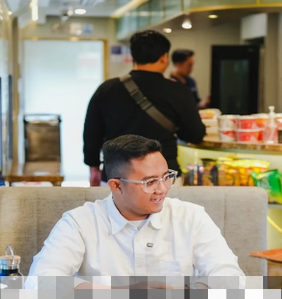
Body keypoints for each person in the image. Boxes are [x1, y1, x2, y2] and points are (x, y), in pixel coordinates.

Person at [27, 134, 246, 289]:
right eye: (149, 182)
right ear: (116, 186)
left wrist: (188, 293)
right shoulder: (80, 223)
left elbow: (232, 277)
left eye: (166, 177)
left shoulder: (191, 217)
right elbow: (39, 282)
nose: (162, 189)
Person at [83, 30, 206, 186]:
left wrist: (94, 168)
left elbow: (91, 133)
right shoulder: (178, 91)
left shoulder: (106, 89)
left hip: (117, 177)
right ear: (164, 57)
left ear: (133, 57)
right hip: (163, 178)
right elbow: (195, 135)